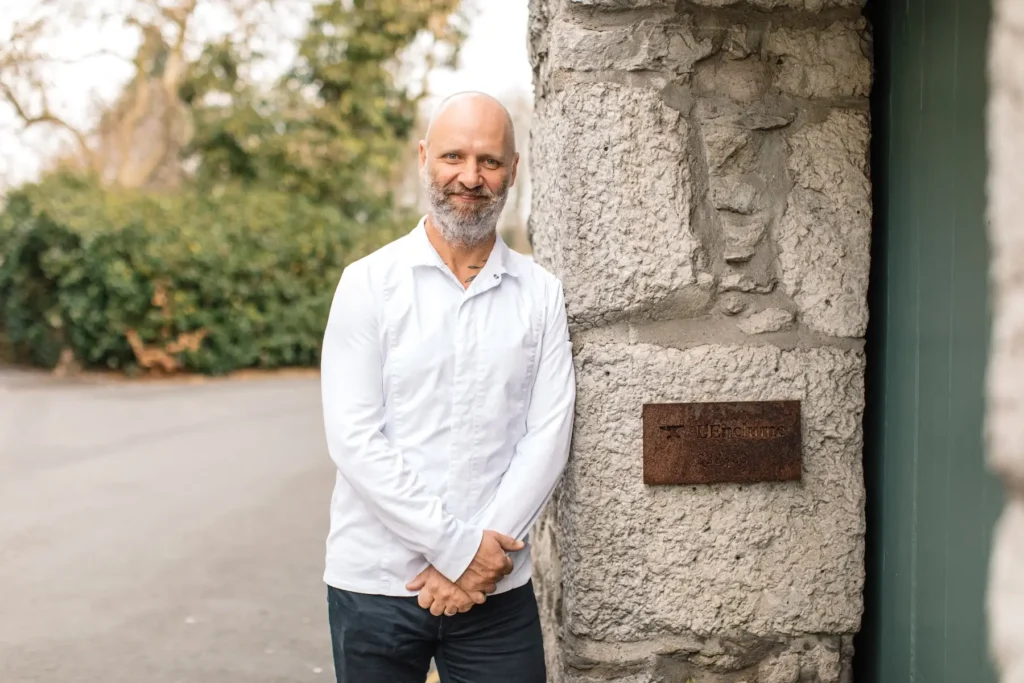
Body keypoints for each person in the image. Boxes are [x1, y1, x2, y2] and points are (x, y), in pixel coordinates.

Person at [318, 91, 576, 683]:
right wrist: (461, 552)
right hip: (377, 582)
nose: (470, 177)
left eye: (489, 161)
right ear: (424, 158)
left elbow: (548, 436)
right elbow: (356, 439)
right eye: (454, 157)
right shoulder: (367, 285)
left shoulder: (541, 294)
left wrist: (480, 565)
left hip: (498, 590)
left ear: (514, 170)